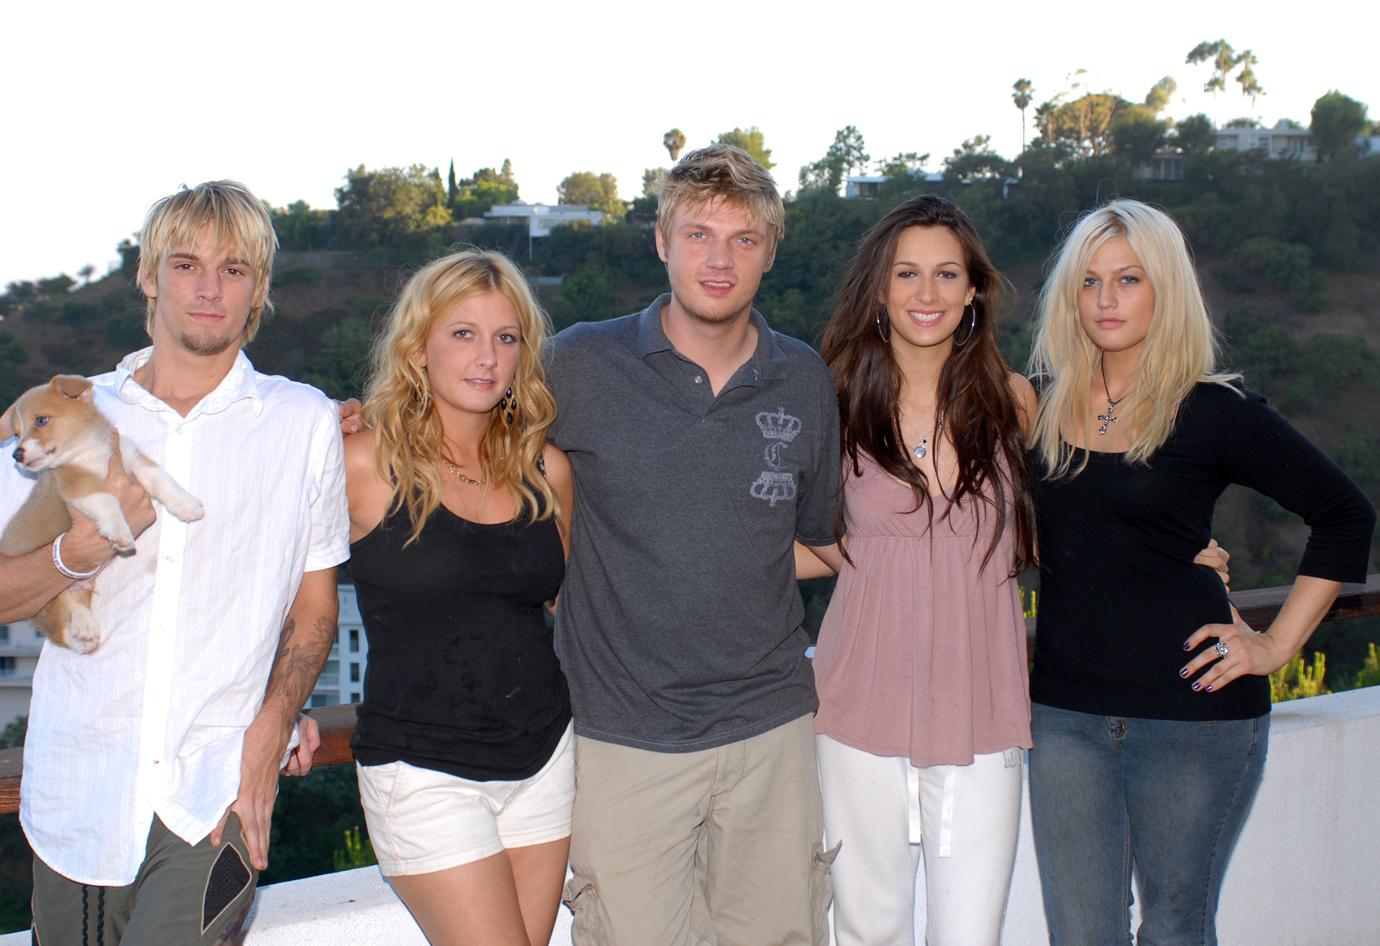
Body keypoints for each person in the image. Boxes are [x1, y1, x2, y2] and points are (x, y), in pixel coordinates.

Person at [0, 180, 349, 944]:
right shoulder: (68, 412)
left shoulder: (303, 423)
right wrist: (71, 554)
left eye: (233, 269)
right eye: (187, 264)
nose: (208, 288)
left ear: (258, 287)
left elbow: (316, 610)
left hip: (212, 796)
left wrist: (274, 727)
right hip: (78, 798)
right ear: (148, 275)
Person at [1025, 198, 1375, 946]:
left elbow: (1346, 514)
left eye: (1129, 279)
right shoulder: (1040, 403)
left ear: (1167, 288)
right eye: (1089, 282)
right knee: (1081, 934)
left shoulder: (1216, 411)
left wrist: (1275, 646)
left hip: (1193, 713)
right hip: (1064, 718)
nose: (1106, 299)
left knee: (1177, 929)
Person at [547, 144, 841, 946]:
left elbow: (821, 542)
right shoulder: (578, 363)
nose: (720, 259)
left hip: (772, 730)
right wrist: (363, 421)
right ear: (661, 241)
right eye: (700, 233)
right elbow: (470, 446)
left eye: (744, 238)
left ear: (771, 252)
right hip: (624, 737)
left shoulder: (804, 379)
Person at [797, 195, 1037, 946]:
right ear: (879, 288)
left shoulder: (1015, 404)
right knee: (868, 932)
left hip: (981, 712)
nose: (926, 294)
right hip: (856, 712)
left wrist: (1193, 553)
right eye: (907, 274)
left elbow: (1077, 521)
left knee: (970, 936)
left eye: (945, 274)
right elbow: (784, 536)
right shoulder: (831, 407)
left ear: (972, 292)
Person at [342, 249, 574, 946]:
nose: (487, 357)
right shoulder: (360, 463)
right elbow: (269, 583)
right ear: (417, 350)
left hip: (544, 756)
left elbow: (570, 609)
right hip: (422, 771)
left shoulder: (546, 470)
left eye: (506, 337)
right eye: (463, 333)